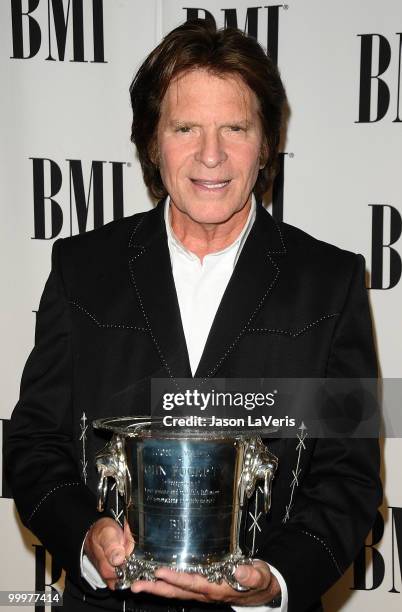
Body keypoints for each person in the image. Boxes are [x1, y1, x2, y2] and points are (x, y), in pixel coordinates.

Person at [6, 19, 381, 612]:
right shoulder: (84, 268)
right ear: (153, 143)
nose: (212, 155)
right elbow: (33, 444)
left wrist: (276, 579)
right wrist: (86, 535)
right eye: (186, 128)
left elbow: (350, 479)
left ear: (267, 142)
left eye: (235, 127)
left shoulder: (330, 283)